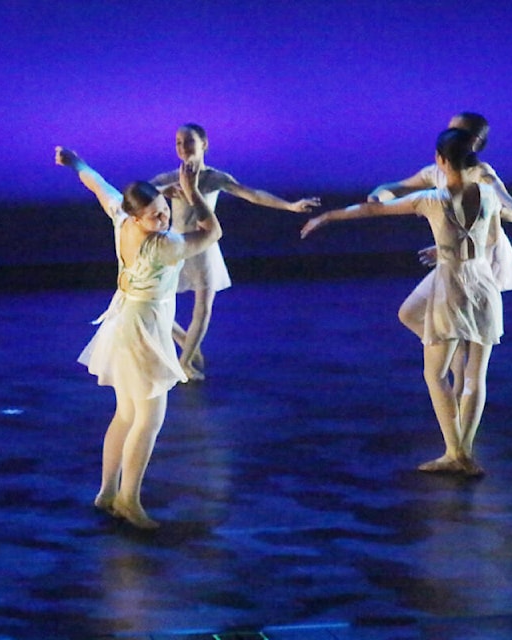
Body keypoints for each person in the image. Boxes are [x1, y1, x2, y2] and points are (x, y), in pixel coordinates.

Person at [301, 128, 508, 477]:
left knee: (435, 373)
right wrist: (451, 248)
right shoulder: (488, 195)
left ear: (441, 160)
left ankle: (455, 453)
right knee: (474, 373)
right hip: (483, 284)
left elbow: (371, 210)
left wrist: (326, 216)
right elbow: (488, 240)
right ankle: (464, 453)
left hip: (453, 285)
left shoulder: (433, 198)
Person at [56, 145, 222, 529]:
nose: (164, 218)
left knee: (127, 413)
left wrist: (77, 162)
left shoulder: (120, 217)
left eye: (165, 209)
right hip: (142, 327)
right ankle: (128, 498)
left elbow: (97, 185)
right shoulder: (164, 246)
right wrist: (194, 193)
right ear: (137, 216)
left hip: (128, 320)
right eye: (155, 215)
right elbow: (213, 231)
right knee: (149, 416)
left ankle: (107, 492)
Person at [367, 113, 512, 397]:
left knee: (474, 359)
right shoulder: (435, 172)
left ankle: (462, 432)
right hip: (453, 257)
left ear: (472, 143)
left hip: (482, 257)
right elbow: (397, 188)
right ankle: (454, 359)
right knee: (409, 313)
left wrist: (496, 210)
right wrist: (379, 195)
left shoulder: (482, 174)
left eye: (456, 132)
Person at [149, 123, 320, 380]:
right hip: (175, 244)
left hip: (204, 246)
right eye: (178, 142)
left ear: (204, 144)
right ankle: (186, 341)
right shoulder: (169, 178)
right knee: (152, 302)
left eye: (189, 141)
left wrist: (290, 206)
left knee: (203, 308)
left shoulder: (215, 177)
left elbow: (253, 195)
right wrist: (162, 191)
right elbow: (137, 195)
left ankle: (184, 363)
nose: (183, 147)